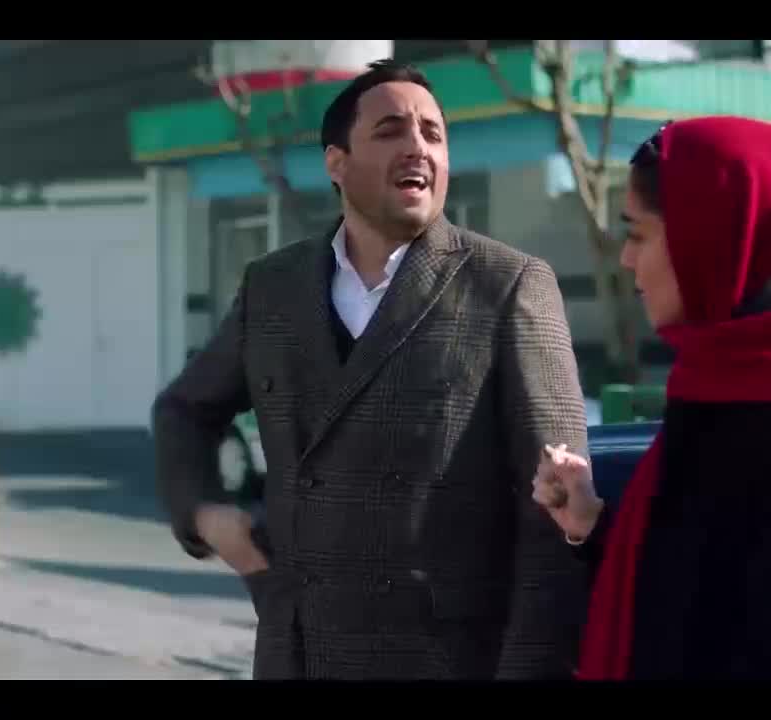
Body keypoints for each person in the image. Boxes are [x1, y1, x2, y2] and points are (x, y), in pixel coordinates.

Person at [152, 59, 590, 680]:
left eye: (433, 134)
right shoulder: (273, 287)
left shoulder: (508, 285)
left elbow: (554, 518)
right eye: (391, 131)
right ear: (337, 163)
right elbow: (183, 411)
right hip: (297, 655)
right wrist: (204, 513)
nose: (418, 148)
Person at [534, 116, 771, 680]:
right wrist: (592, 524)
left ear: (711, 236)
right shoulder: (722, 375)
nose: (626, 258)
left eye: (638, 234)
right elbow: (689, 593)